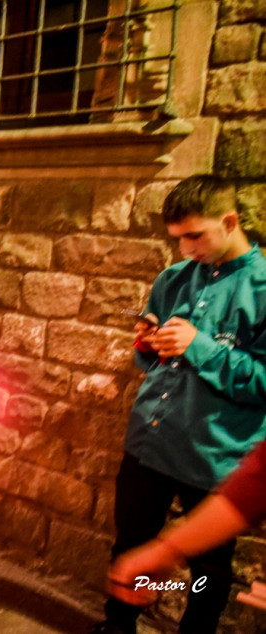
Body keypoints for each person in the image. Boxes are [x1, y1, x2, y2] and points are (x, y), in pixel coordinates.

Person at [91, 175, 266, 634]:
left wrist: (199, 346)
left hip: (216, 455)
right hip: (150, 442)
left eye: (195, 235)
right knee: (132, 543)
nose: (186, 249)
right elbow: (150, 364)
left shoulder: (264, 291)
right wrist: (147, 345)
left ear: (230, 222)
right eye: (178, 239)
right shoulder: (172, 279)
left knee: (208, 572)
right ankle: (119, 625)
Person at [107, 438, 266, 599]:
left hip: (218, 456)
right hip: (155, 443)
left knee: (211, 569)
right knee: (131, 537)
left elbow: (258, 481)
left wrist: (165, 551)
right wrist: (165, 552)